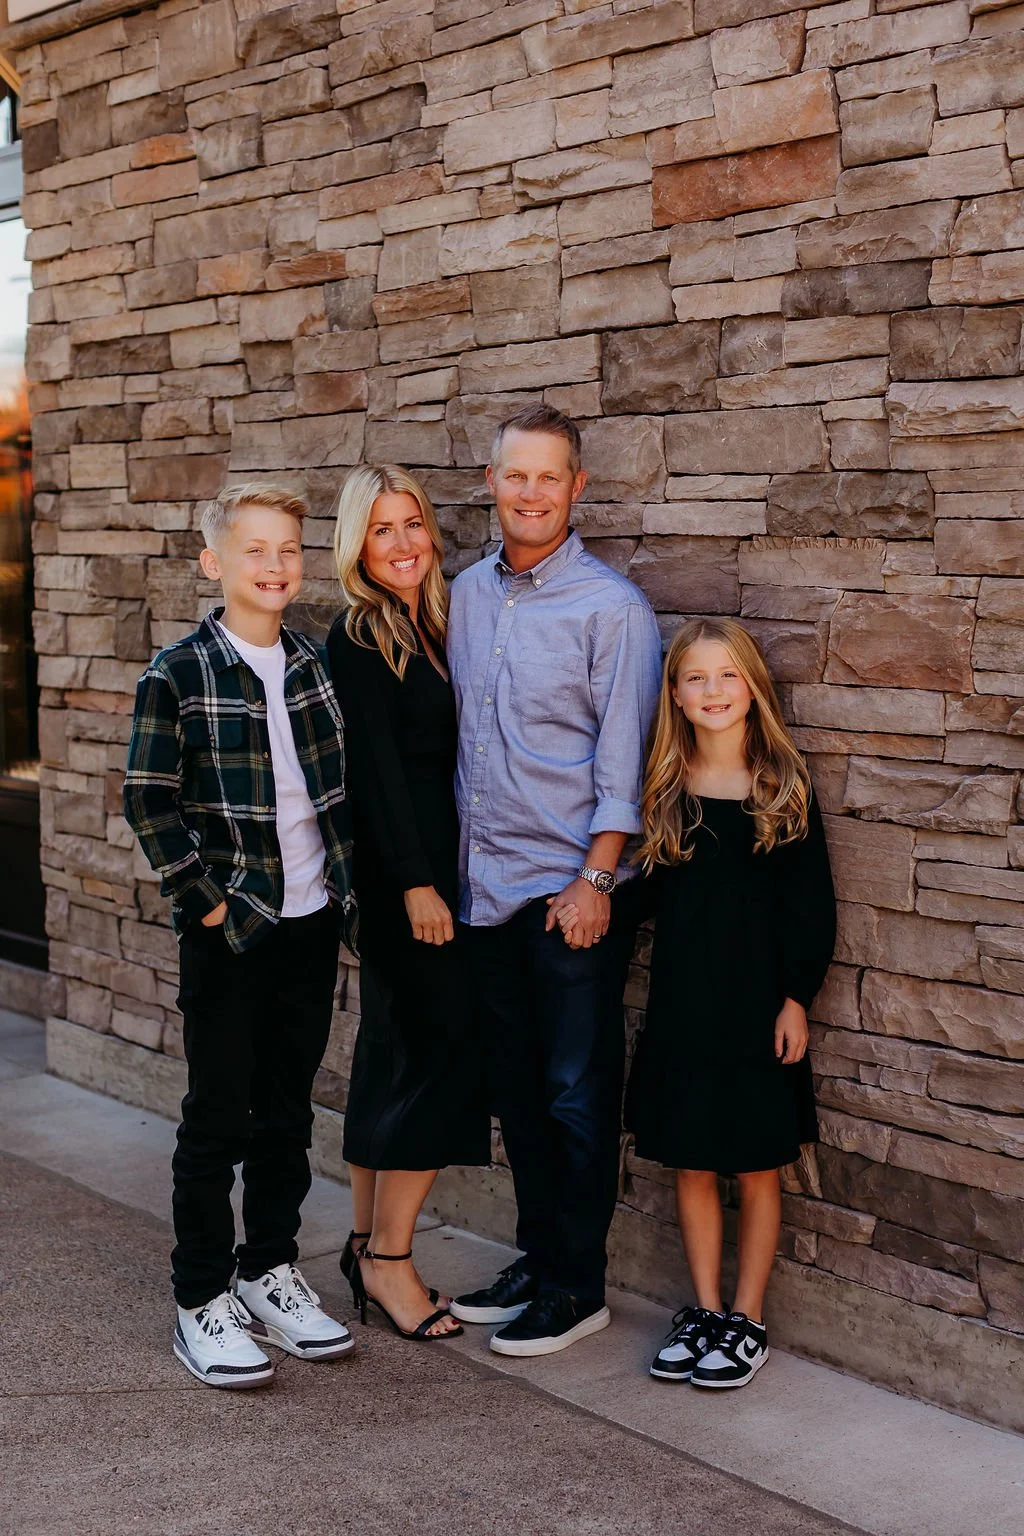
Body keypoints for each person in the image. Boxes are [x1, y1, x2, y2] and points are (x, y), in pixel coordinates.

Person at [559, 617, 835, 1389]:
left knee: (754, 1165)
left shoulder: (783, 786)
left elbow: (811, 909)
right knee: (688, 1163)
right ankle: (706, 1309)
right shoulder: (668, 790)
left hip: (756, 1011)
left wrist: (795, 1000)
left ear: (752, 686)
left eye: (726, 676)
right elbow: (647, 895)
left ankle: (746, 1319)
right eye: (695, 679)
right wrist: (591, 893)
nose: (713, 691)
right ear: (674, 695)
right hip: (683, 1007)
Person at [124, 484, 357, 1389]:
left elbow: (330, 796)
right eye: (254, 550)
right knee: (218, 1116)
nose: (274, 566)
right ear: (214, 563)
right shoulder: (178, 672)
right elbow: (148, 798)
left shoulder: (311, 664)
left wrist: (341, 896)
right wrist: (208, 900)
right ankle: (200, 1299)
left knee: (288, 1113)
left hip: (309, 922)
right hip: (232, 931)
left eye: (289, 550)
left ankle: (267, 1271)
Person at [446, 405, 663, 1357]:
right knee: (518, 1092)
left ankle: (578, 1285)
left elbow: (626, 765)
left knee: (577, 1093)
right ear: (490, 483)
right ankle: (538, 1258)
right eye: (514, 476)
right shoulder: (464, 594)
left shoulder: (612, 609)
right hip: (483, 889)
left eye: (549, 477)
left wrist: (597, 884)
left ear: (578, 488)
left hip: (568, 894)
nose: (530, 493)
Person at [327, 465, 490, 1343]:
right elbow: (377, 777)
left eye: (412, 525)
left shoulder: (428, 624)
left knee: (391, 1057)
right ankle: (392, 1262)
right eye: (382, 529)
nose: (402, 543)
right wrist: (418, 882)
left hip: (432, 871)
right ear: (357, 543)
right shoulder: (359, 635)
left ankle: (362, 1242)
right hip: (408, 883)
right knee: (442, 1058)